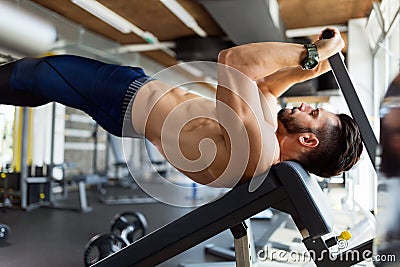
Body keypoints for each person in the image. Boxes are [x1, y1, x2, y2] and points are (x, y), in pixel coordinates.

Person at [0, 27, 362, 187]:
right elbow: (267, 85)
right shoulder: (266, 135)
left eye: (313, 115)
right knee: (42, 82)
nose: (304, 106)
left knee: (38, 73)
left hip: (124, 96)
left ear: (308, 142)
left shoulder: (260, 150)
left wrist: (311, 54)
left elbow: (234, 61)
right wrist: (314, 65)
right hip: (131, 102)